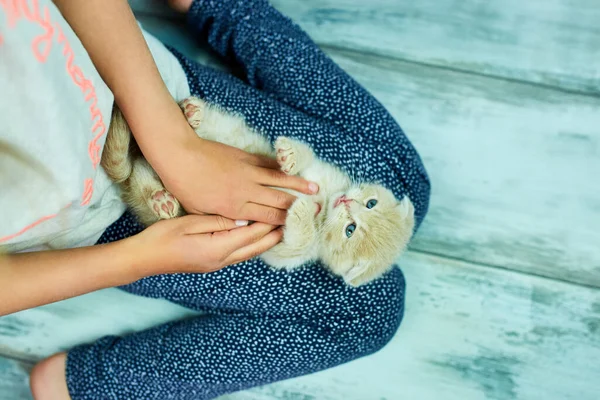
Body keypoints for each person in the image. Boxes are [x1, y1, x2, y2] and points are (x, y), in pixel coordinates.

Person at [1, 0, 430, 398]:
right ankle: (81, 384)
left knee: (400, 192)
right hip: (106, 216)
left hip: (165, 93)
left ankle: (215, 7)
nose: (351, 206)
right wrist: (139, 257)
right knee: (369, 300)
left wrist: (175, 145)